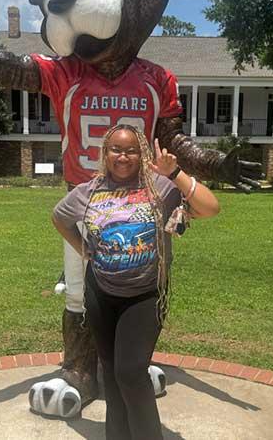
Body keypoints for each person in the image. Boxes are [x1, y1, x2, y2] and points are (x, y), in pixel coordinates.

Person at [52, 124, 220, 439]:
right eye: (116, 149)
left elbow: (210, 208)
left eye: (131, 150)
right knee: (113, 377)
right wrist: (82, 247)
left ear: (142, 153)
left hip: (144, 295)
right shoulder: (89, 191)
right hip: (101, 293)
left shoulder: (161, 187)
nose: (123, 156)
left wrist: (175, 174)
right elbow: (60, 217)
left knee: (129, 372)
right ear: (105, 153)